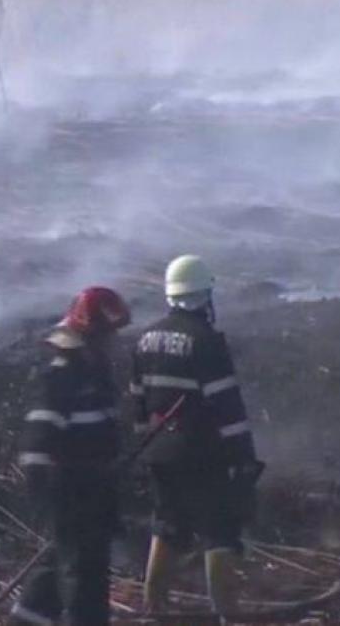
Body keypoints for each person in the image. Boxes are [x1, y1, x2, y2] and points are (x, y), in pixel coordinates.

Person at [130, 255, 262, 617]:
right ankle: (227, 613)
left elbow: (138, 403)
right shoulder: (207, 341)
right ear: (205, 295)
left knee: (168, 526)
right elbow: (227, 409)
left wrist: (149, 449)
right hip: (204, 453)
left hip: (160, 451)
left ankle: (154, 607)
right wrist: (243, 458)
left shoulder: (145, 338)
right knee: (219, 531)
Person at [11, 286, 130, 625]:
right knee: (85, 573)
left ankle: (25, 620)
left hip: (95, 489)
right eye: (109, 335)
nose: (115, 342)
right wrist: (43, 494)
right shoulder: (63, 374)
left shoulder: (96, 374)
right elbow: (39, 438)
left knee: (60, 562)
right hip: (72, 490)